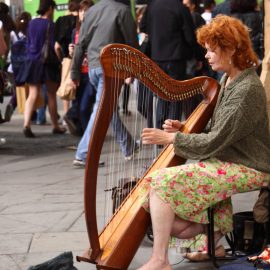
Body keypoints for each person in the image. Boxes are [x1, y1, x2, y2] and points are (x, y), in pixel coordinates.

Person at [138, 15, 270, 269]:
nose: (207, 56)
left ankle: (160, 259)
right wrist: (183, 130)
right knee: (151, 189)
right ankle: (210, 239)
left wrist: (172, 139)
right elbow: (220, 130)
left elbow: (214, 141)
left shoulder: (246, 89)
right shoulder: (230, 79)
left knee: (161, 182)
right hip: (230, 158)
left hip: (253, 165)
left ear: (230, 49)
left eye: (212, 50)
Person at [70, 0, 139, 167]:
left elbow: (81, 44)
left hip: (93, 67)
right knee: (102, 110)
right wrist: (133, 69)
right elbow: (131, 44)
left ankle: (128, 145)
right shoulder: (122, 11)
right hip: (111, 68)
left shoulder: (92, 11)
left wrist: (75, 71)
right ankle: (83, 153)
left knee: (107, 108)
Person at [139, 0, 199, 129]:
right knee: (175, 96)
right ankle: (171, 131)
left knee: (162, 95)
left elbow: (143, 27)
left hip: (156, 57)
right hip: (176, 58)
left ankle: (160, 128)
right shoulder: (180, 8)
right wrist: (198, 56)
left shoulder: (152, 5)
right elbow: (190, 36)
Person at [22, 0, 66, 138]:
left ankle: (26, 124)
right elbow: (54, 46)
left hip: (33, 62)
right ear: (50, 8)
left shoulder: (32, 23)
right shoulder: (51, 25)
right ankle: (55, 126)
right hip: (48, 62)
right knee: (51, 95)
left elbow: (28, 42)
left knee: (32, 94)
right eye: (53, 9)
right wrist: (61, 59)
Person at [65, 0, 94, 136]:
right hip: (78, 73)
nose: (83, 13)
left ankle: (89, 137)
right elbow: (73, 55)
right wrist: (71, 51)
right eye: (81, 10)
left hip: (91, 73)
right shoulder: (75, 31)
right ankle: (85, 136)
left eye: (86, 10)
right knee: (79, 106)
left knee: (84, 107)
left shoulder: (95, 29)